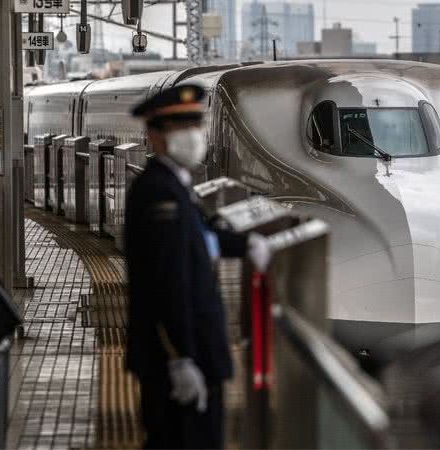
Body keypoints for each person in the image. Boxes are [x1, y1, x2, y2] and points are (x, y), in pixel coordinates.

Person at [125, 85, 270, 449]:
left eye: (196, 124)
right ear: (155, 135)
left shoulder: (174, 186)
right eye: (179, 126)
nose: (192, 135)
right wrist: (181, 359)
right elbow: (166, 284)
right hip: (181, 360)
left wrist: (244, 244)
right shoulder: (159, 192)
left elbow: (199, 238)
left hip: (193, 354)